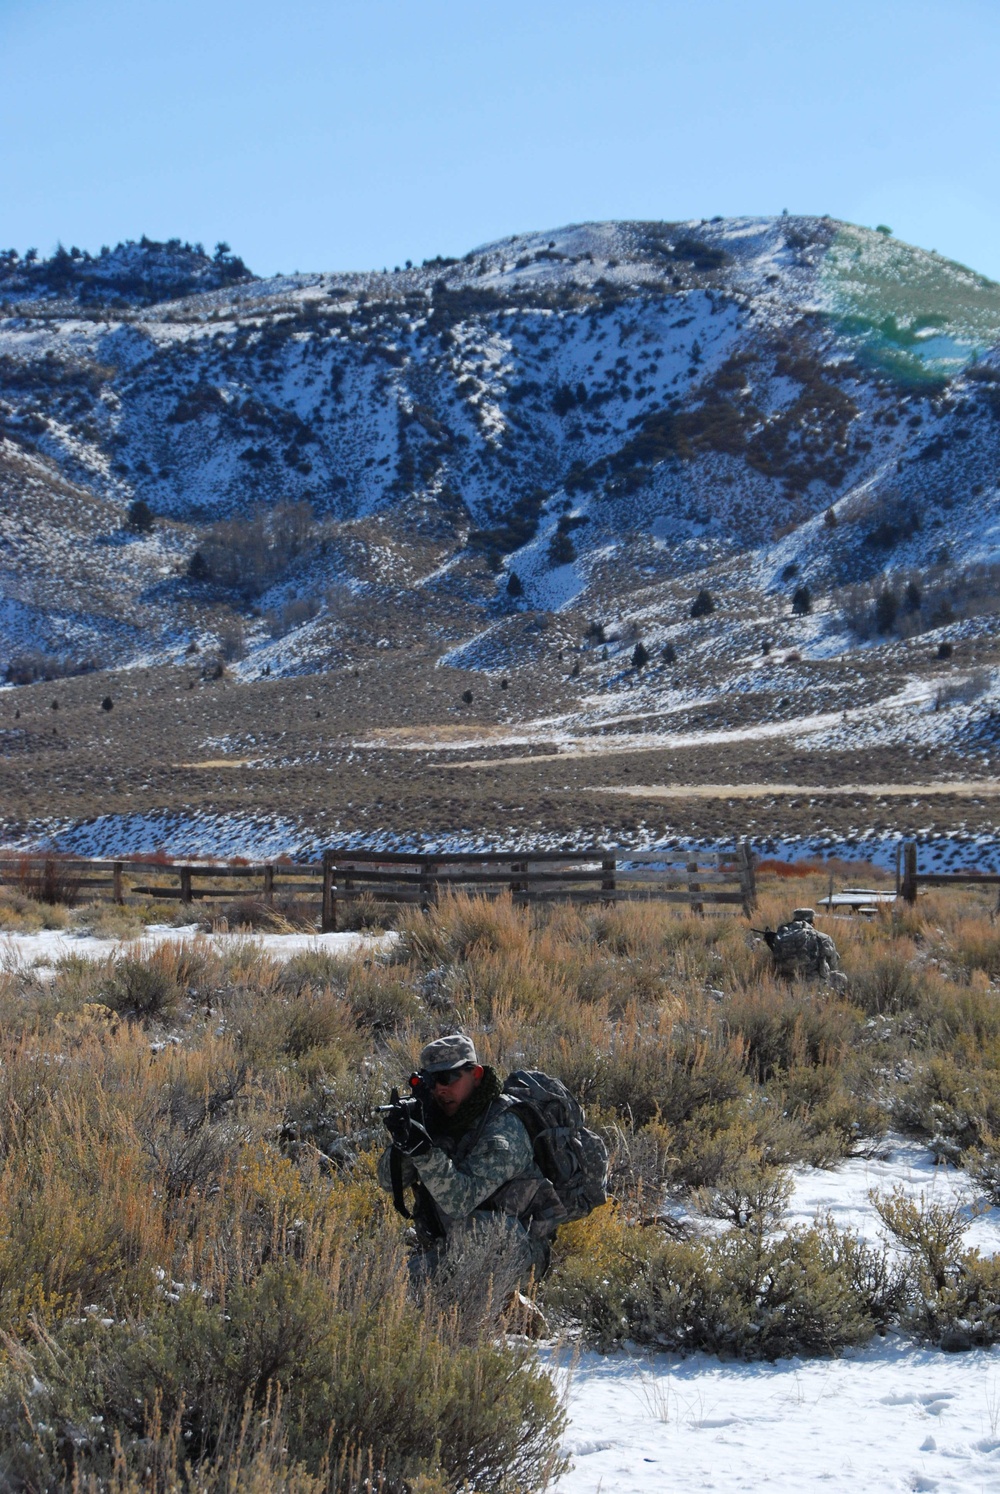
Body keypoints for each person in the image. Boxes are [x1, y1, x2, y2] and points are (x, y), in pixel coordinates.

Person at [377, 1034, 565, 1289]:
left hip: (519, 1250)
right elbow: (389, 1182)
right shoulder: (441, 1117)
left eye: (448, 1077)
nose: (440, 1089)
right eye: (432, 1081)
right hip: (455, 1245)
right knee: (395, 1284)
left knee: (420, 1285)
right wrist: (405, 1140)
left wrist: (423, 1152)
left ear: (475, 1075)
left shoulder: (503, 1128)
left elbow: (460, 1201)